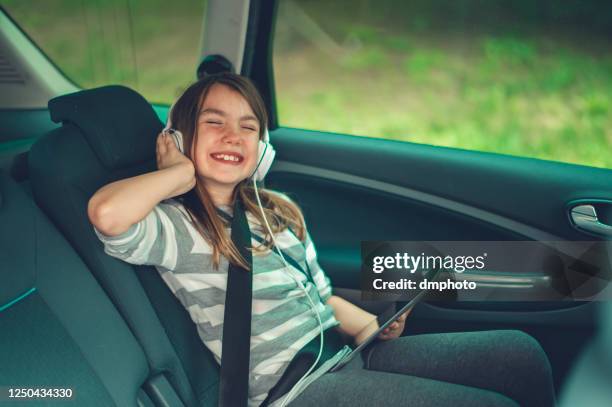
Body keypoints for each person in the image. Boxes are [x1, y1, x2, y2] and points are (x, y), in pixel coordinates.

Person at [88, 72, 556, 407]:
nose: (233, 135)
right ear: (180, 137)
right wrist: (177, 173)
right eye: (214, 123)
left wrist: (369, 327)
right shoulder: (179, 229)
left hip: (343, 355)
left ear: (263, 150)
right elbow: (107, 214)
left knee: (521, 353)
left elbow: (320, 298)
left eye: (248, 127)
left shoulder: (277, 214)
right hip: (297, 392)